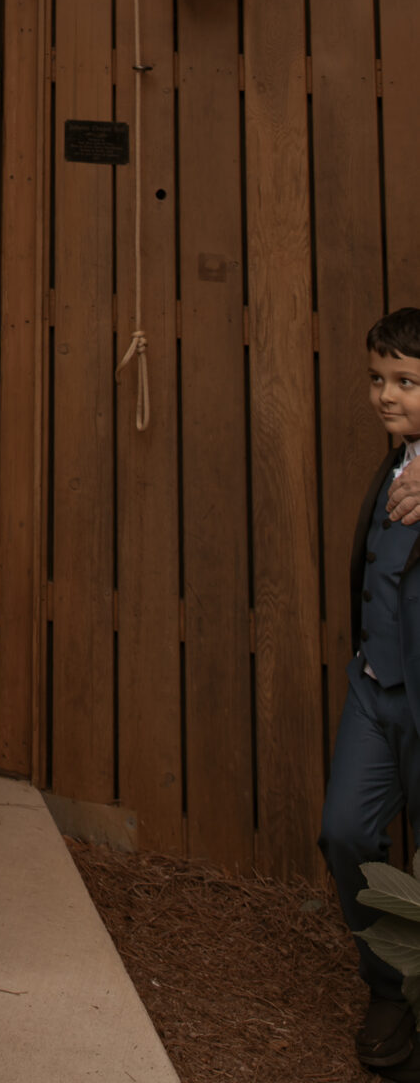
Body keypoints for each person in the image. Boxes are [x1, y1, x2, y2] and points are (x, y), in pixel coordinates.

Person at [319, 308, 420, 1082]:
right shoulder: (396, 464)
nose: (386, 395)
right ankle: (388, 986)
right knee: (344, 833)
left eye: (406, 382)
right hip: (372, 688)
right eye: (378, 379)